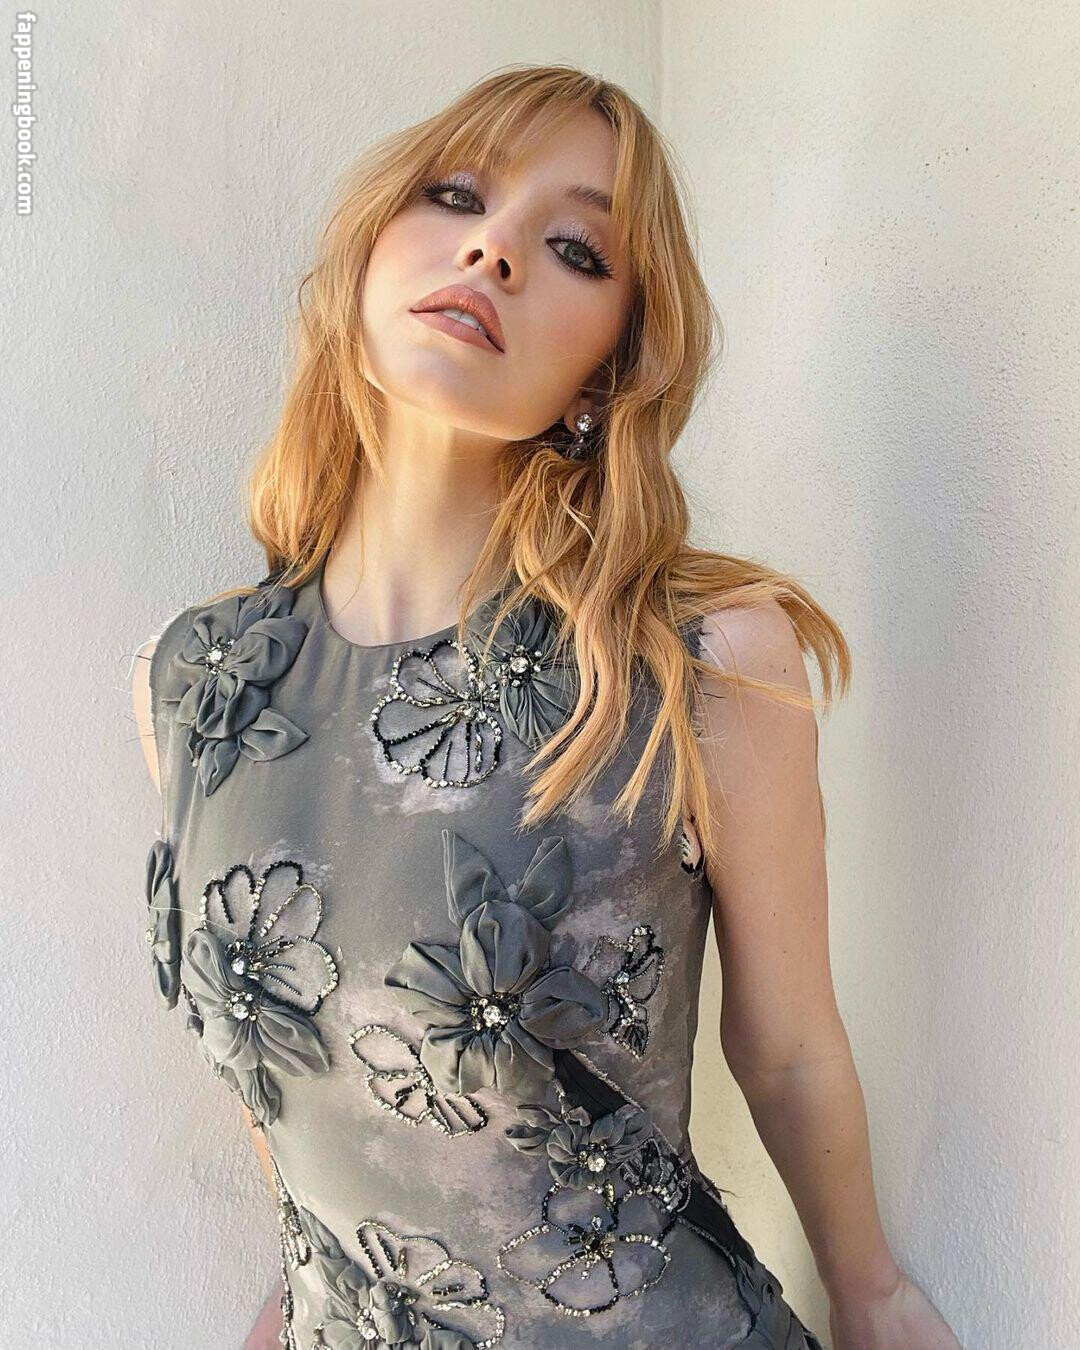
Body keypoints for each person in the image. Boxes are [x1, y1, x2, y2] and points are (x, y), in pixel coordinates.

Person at [132, 64, 962, 1350]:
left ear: (604, 376)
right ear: (367, 255)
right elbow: (285, 1055)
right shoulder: (196, 684)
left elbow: (789, 1047)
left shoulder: (694, 660)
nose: (494, 249)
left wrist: (872, 1295)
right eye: (456, 196)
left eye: (574, 248)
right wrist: (303, 1289)